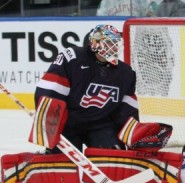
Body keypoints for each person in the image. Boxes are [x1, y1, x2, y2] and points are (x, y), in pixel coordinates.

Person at [34, 24, 139, 153]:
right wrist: (49, 121)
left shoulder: (125, 73)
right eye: (110, 43)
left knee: (113, 154)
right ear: (96, 43)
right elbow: (50, 90)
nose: (114, 47)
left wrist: (134, 135)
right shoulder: (73, 59)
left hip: (100, 125)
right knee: (62, 160)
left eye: (116, 43)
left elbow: (127, 111)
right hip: (67, 124)